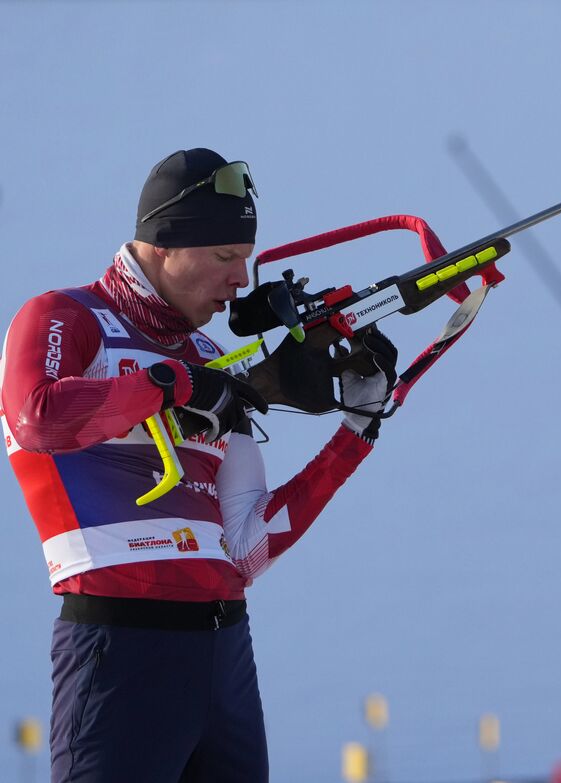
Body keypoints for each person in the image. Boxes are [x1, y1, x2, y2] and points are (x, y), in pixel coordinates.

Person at [0, 148, 395, 782]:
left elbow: (246, 548)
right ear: (162, 246)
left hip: (225, 654)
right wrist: (169, 383)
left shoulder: (211, 356)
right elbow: (35, 419)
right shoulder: (64, 317)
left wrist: (357, 430)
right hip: (119, 645)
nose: (241, 280)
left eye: (246, 258)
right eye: (224, 258)